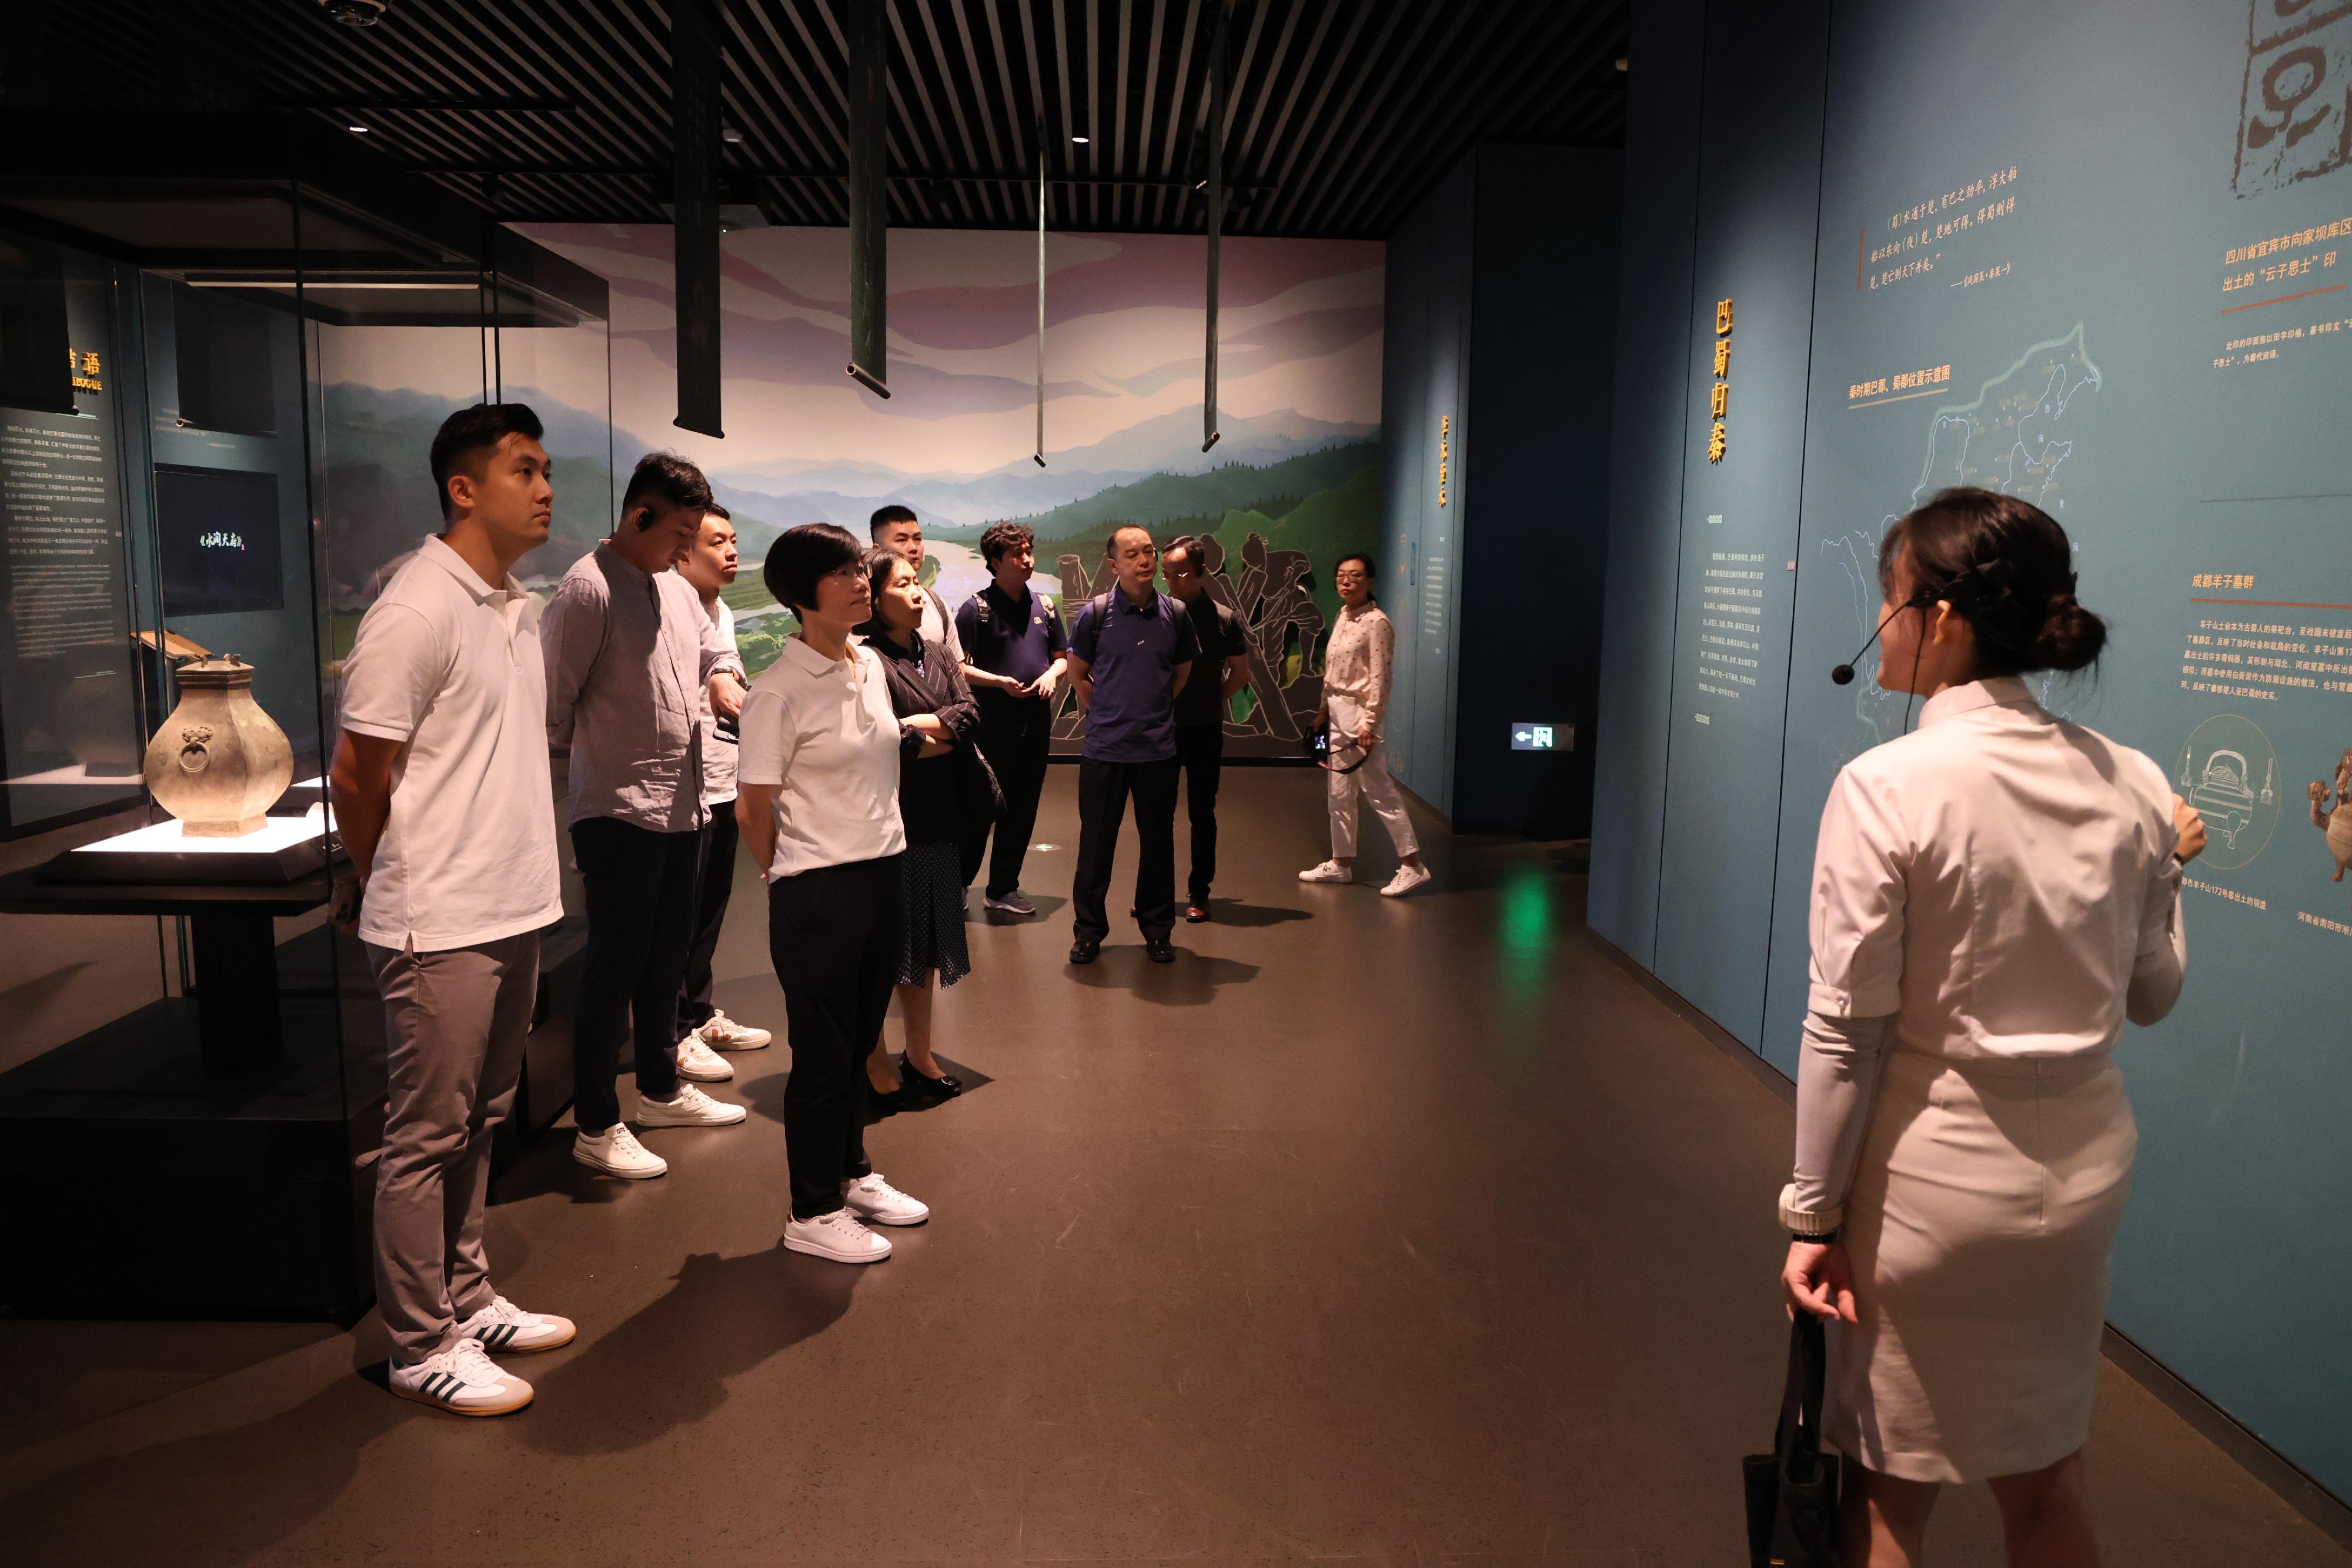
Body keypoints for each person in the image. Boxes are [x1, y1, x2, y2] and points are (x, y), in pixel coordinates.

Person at [1777, 488, 2205, 1566]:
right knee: (2047, 1478)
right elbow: (2151, 995)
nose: (1880, 619)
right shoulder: (2137, 781)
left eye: (1889, 596)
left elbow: (1845, 1033)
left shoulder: (1887, 785)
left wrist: (1811, 1212)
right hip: (2084, 1182)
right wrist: (2165, 876)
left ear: (1942, 618)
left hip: (1931, 1191)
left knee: (1888, 1493)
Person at [328, 402, 573, 1416]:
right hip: (443, 916)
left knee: (483, 1118)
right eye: (525, 469)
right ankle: (418, 1340)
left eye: (547, 468)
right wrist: (387, 875)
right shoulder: (418, 605)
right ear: (464, 489)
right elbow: (356, 771)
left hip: (511, 901)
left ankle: (466, 1297)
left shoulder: (509, 604)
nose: (546, 486)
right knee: (424, 1134)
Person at [543, 452, 749, 1183]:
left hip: (681, 805)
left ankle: (659, 1089)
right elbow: (551, 708)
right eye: (681, 533)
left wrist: (723, 673)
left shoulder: (670, 584)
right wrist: (572, 809)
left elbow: (712, 649)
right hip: (619, 809)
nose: (688, 548)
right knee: (615, 964)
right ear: (640, 517)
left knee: (666, 958)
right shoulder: (586, 590)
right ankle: (596, 1123)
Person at [736, 524, 931, 1263]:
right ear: (800, 595)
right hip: (817, 890)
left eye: (861, 568)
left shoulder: (868, 665)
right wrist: (788, 874)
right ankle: (810, 1211)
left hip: (884, 872)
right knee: (820, 1056)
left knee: (855, 1045)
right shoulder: (777, 691)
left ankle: (851, 1174)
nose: (862, 581)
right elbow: (753, 809)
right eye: (844, 573)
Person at [859, 549, 979, 1107]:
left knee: (926, 945)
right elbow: (889, 744)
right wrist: (936, 734)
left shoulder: (934, 651)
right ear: (874, 598)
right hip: (889, 822)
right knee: (885, 948)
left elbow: (971, 715)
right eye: (903, 584)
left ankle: (921, 1052)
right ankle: (873, 1055)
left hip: (938, 815)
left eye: (917, 582)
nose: (917, 592)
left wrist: (922, 728)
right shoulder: (865, 660)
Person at [1064, 524, 1200, 965]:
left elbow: (1180, 674)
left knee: (1159, 844)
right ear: (1114, 564)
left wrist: (1152, 710)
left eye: (1149, 552)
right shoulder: (1096, 614)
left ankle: (1157, 929)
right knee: (1095, 847)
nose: (1145, 561)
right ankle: (1088, 932)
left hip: (1158, 751)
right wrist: (1102, 709)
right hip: (1104, 751)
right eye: (1133, 554)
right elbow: (1077, 672)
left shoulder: (1176, 614)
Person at [671, 503, 773, 1076]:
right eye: (718, 542)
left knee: (709, 911)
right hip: (678, 789)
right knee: (677, 920)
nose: (731, 551)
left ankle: (700, 1014)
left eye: (734, 540)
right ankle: (673, 1031)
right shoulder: (668, 613)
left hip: (719, 777)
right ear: (683, 549)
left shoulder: (722, 610)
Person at [1299, 553, 1431, 896]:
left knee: (1379, 791)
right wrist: (1322, 710)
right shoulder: (1343, 615)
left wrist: (1370, 724)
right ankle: (1340, 863)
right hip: (1338, 712)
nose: (1346, 581)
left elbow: (1381, 678)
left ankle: (1413, 865)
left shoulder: (1377, 622)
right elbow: (1333, 672)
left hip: (1360, 716)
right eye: (1341, 575)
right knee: (1339, 794)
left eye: (1355, 576)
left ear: (1369, 581)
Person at [954, 521, 1067, 915]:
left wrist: (1053, 675)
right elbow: (956, 667)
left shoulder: (1045, 606)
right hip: (989, 729)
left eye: (1029, 552)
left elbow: (1061, 657)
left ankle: (1003, 888)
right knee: (978, 809)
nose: (1027, 560)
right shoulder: (975, 609)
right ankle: (958, 885)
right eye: (1018, 554)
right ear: (996, 561)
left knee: (1023, 808)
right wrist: (999, 681)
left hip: (1033, 726)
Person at [1161, 535, 1252, 922]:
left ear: (1200, 570)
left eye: (1179, 573)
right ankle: (1157, 892)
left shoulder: (1223, 617)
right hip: (1161, 728)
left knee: (1203, 811)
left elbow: (1241, 673)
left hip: (1204, 728)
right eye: (1166, 574)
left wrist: (1214, 700)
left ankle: (1200, 891)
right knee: (1158, 813)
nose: (1171, 581)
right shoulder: (1158, 613)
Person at [867, 503, 964, 662]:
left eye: (918, 539)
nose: (913, 548)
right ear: (877, 550)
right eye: (901, 540)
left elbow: (957, 667)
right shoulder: (860, 609)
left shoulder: (936, 604)